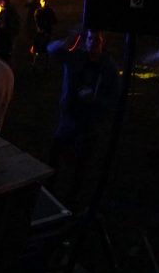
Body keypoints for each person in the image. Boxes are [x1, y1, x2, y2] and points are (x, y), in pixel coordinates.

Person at [47, 30, 118, 203]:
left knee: (82, 162)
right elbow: (51, 49)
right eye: (90, 38)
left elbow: (113, 99)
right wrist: (69, 38)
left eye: (97, 40)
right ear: (85, 41)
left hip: (90, 122)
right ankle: (48, 189)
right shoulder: (75, 58)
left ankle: (72, 198)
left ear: (103, 43)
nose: (93, 42)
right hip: (69, 117)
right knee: (55, 154)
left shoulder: (108, 68)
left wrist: (95, 99)